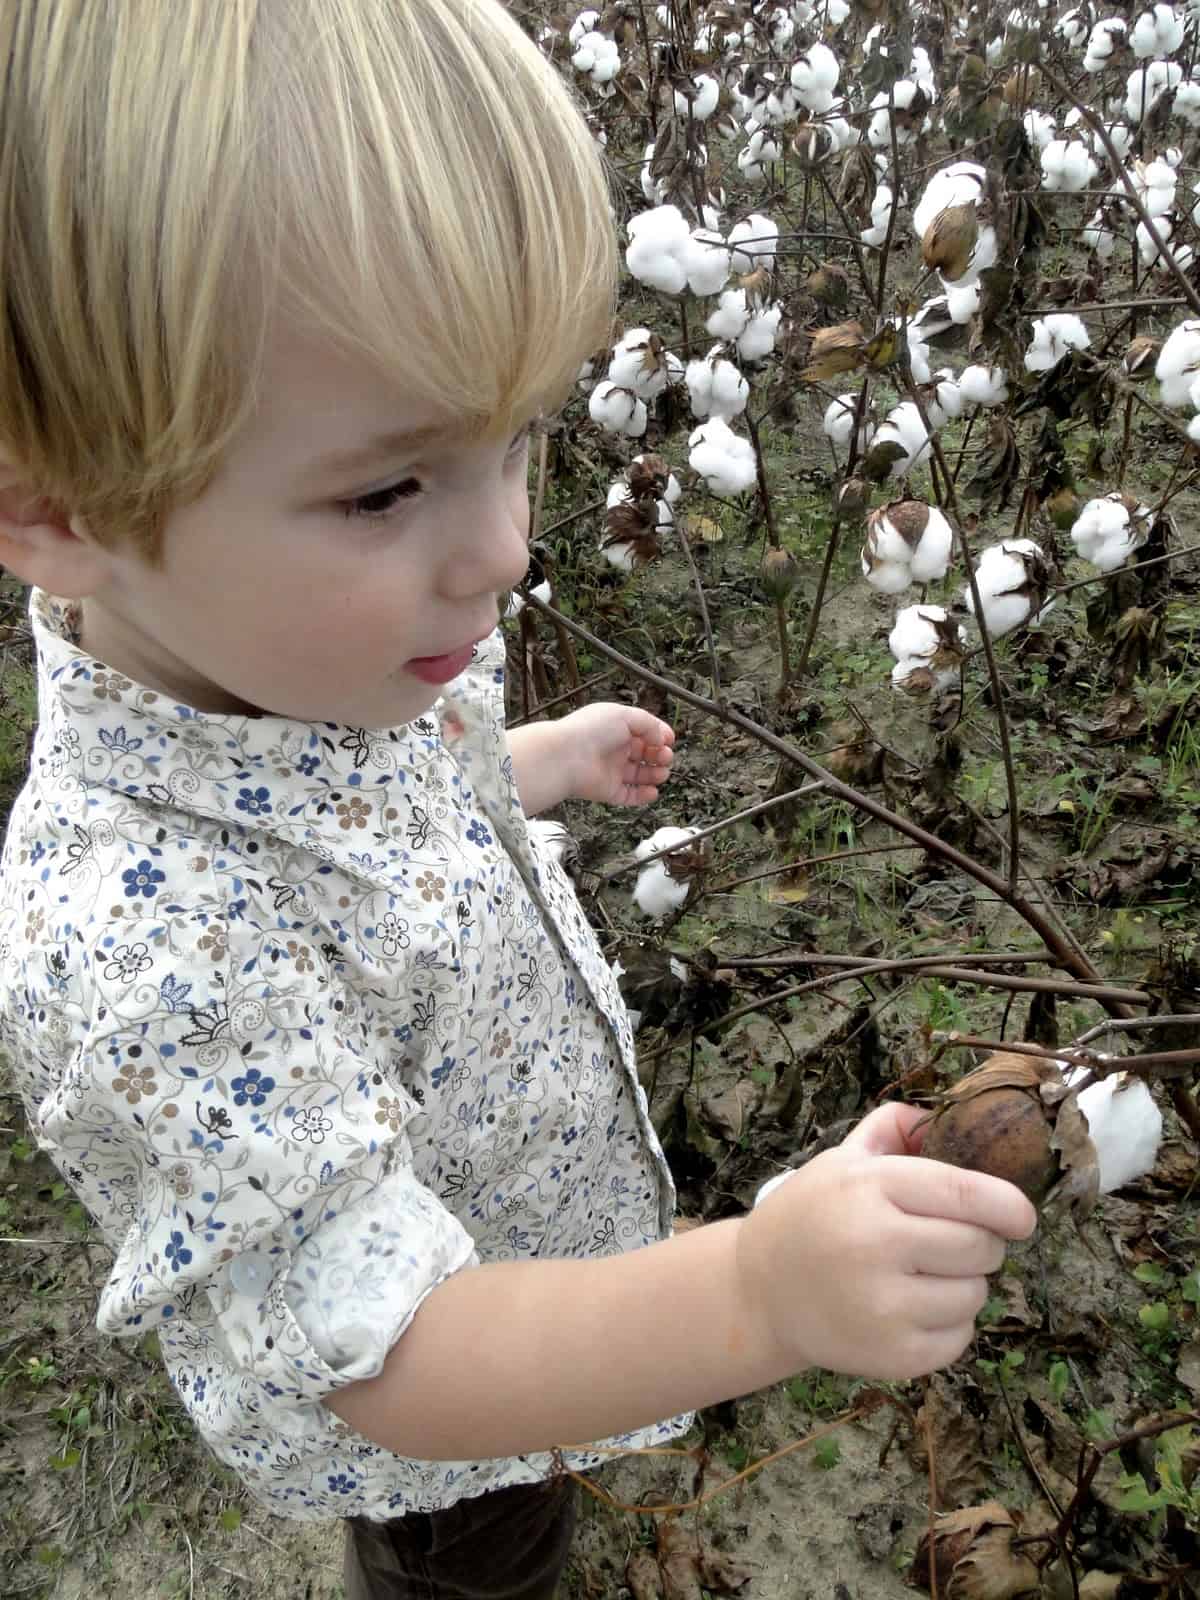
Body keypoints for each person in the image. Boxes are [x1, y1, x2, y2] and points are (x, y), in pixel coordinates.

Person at [0, 3, 1037, 1596]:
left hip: (545, 1222)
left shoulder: (316, 659)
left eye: (522, 438)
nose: (503, 550)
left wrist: (533, 762)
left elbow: (398, 790)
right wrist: (755, 1298)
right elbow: (399, 1353)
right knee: (482, 1562)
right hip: (450, 1438)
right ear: (51, 508)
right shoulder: (149, 952)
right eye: (386, 485)